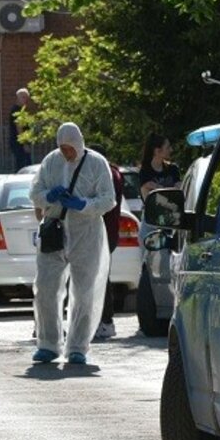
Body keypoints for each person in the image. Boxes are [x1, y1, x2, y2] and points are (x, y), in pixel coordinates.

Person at [29, 123, 116, 365]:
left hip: (86, 233)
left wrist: (83, 205)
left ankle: (77, 346)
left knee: (84, 291)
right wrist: (49, 196)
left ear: (78, 144)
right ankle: (48, 343)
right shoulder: (51, 161)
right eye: (62, 148)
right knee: (46, 288)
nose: (66, 153)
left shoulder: (97, 163)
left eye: (69, 148)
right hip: (54, 231)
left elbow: (108, 199)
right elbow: (34, 192)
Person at [89, 145, 125, 340]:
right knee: (100, 277)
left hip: (103, 232)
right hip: (108, 232)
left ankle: (105, 321)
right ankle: (103, 321)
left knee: (99, 278)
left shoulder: (107, 174)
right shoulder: (114, 172)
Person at [9, 88, 32, 172]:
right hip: (19, 143)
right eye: (23, 97)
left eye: (26, 97)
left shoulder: (23, 110)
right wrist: (24, 143)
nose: (25, 100)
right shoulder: (16, 110)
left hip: (21, 142)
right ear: (18, 98)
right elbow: (19, 127)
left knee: (25, 163)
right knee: (23, 165)